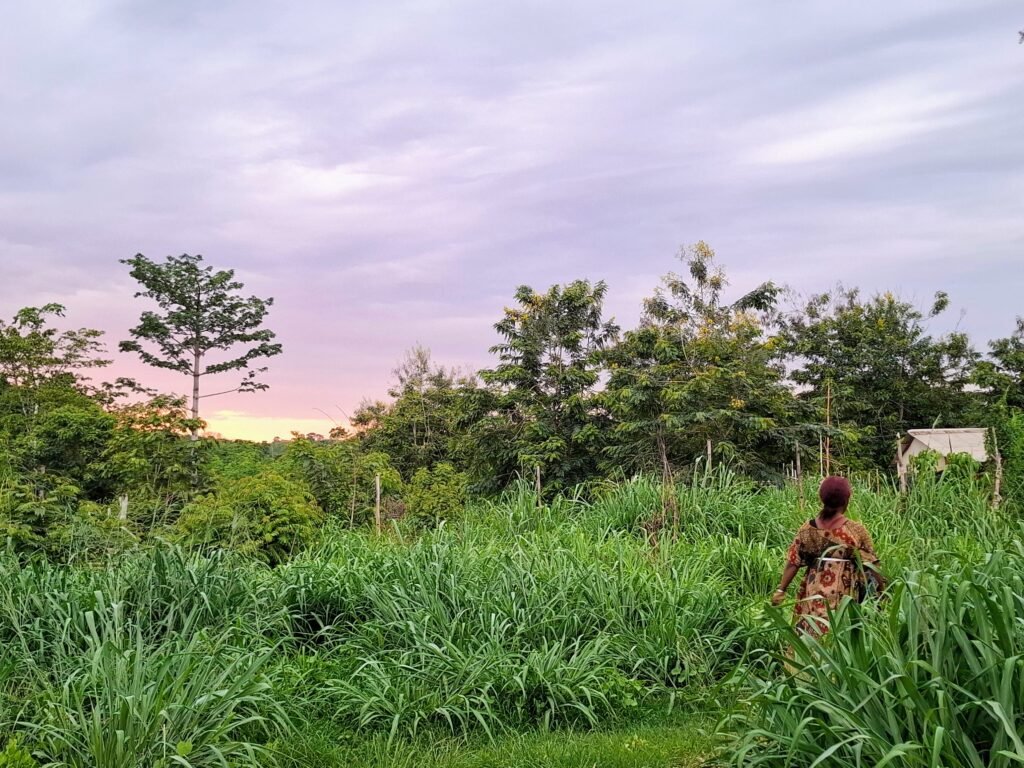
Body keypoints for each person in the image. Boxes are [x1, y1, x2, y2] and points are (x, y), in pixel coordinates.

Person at [771, 476, 884, 637]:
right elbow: (872, 565)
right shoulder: (855, 531)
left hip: (812, 592)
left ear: (821, 498)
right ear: (847, 500)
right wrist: (881, 592)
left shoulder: (807, 530)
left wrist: (781, 590)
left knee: (812, 630)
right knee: (839, 633)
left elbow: (793, 562)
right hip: (844, 593)